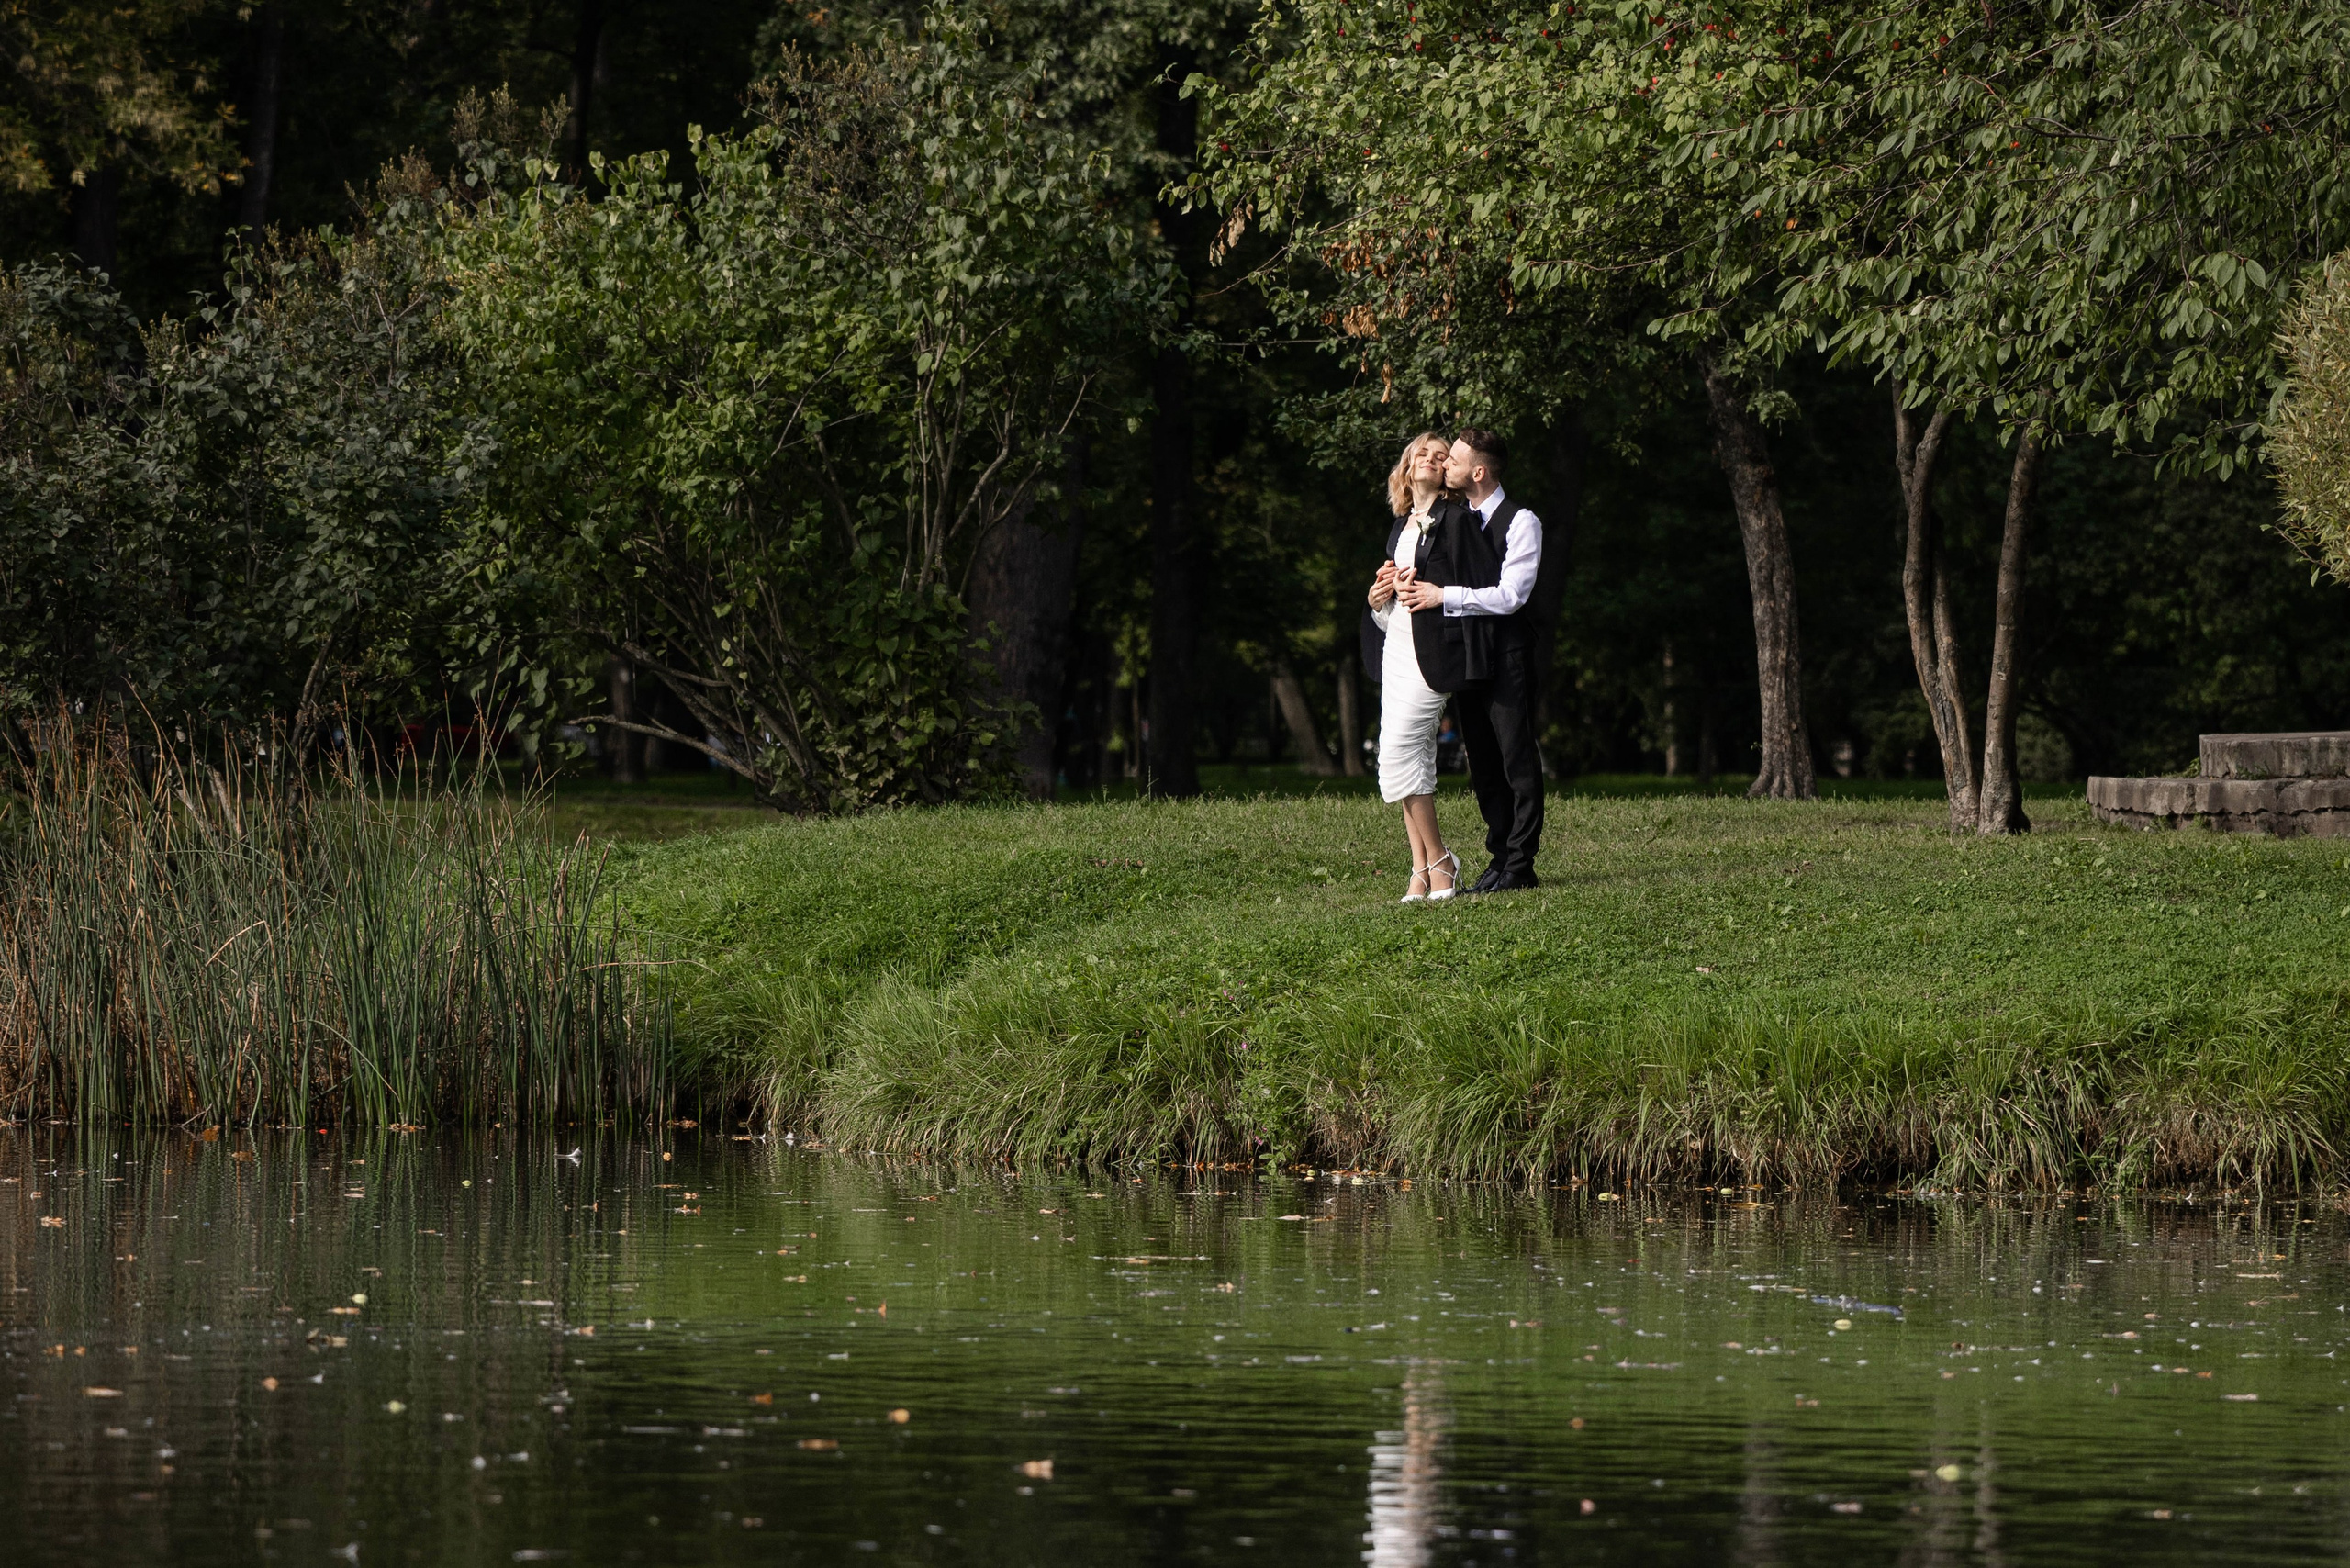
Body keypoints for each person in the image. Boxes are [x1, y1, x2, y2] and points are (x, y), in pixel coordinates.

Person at [1392, 429, 1544, 891]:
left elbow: (1513, 595)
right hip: (1465, 657)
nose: (1444, 465)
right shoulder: (1451, 519)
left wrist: (1444, 595)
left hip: (1507, 655)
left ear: (1477, 472)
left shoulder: (1521, 522)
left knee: (1516, 757)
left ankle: (1520, 865)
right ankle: (1498, 857)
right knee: (1481, 760)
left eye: (1453, 459)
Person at [1368, 432, 1504, 902]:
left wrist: (1433, 593)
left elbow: (1482, 586)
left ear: (1448, 471)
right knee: (1403, 760)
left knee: (1402, 750)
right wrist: (1378, 598)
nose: (1430, 458)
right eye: (1420, 453)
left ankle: (1442, 859)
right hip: (1399, 647)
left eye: (1440, 454)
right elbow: (1393, 606)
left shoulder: (1457, 520)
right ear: (1407, 469)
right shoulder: (1401, 526)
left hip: (1438, 654)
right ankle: (1422, 868)